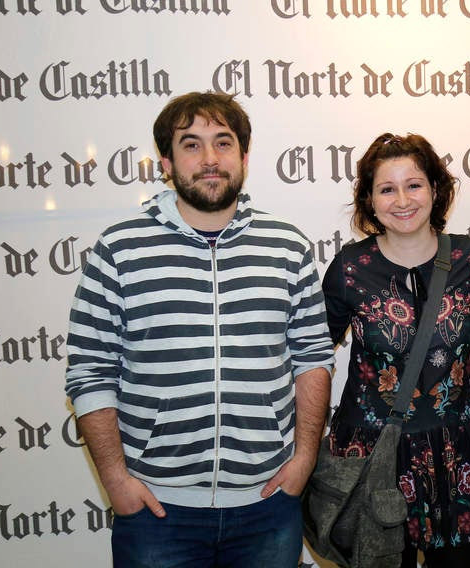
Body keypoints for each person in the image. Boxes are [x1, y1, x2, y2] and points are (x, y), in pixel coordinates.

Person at [65, 91, 334, 567]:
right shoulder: (119, 248)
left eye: (223, 143)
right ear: (165, 162)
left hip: (267, 504)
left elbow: (313, 357)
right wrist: (116, 481)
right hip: (156, 511)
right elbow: (90, 372)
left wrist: (303, 460)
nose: (210, 159)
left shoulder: (287, 247)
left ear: (244, 156)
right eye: (191, 145)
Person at [321, 133, 470, 568]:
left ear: (436, 190)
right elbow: (314, 353)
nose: (402, 199)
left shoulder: (467, 257)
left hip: (458, 455)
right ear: (369, 200)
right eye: (387, 188)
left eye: (415, 184)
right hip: (374, 457)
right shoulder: (350, 269)